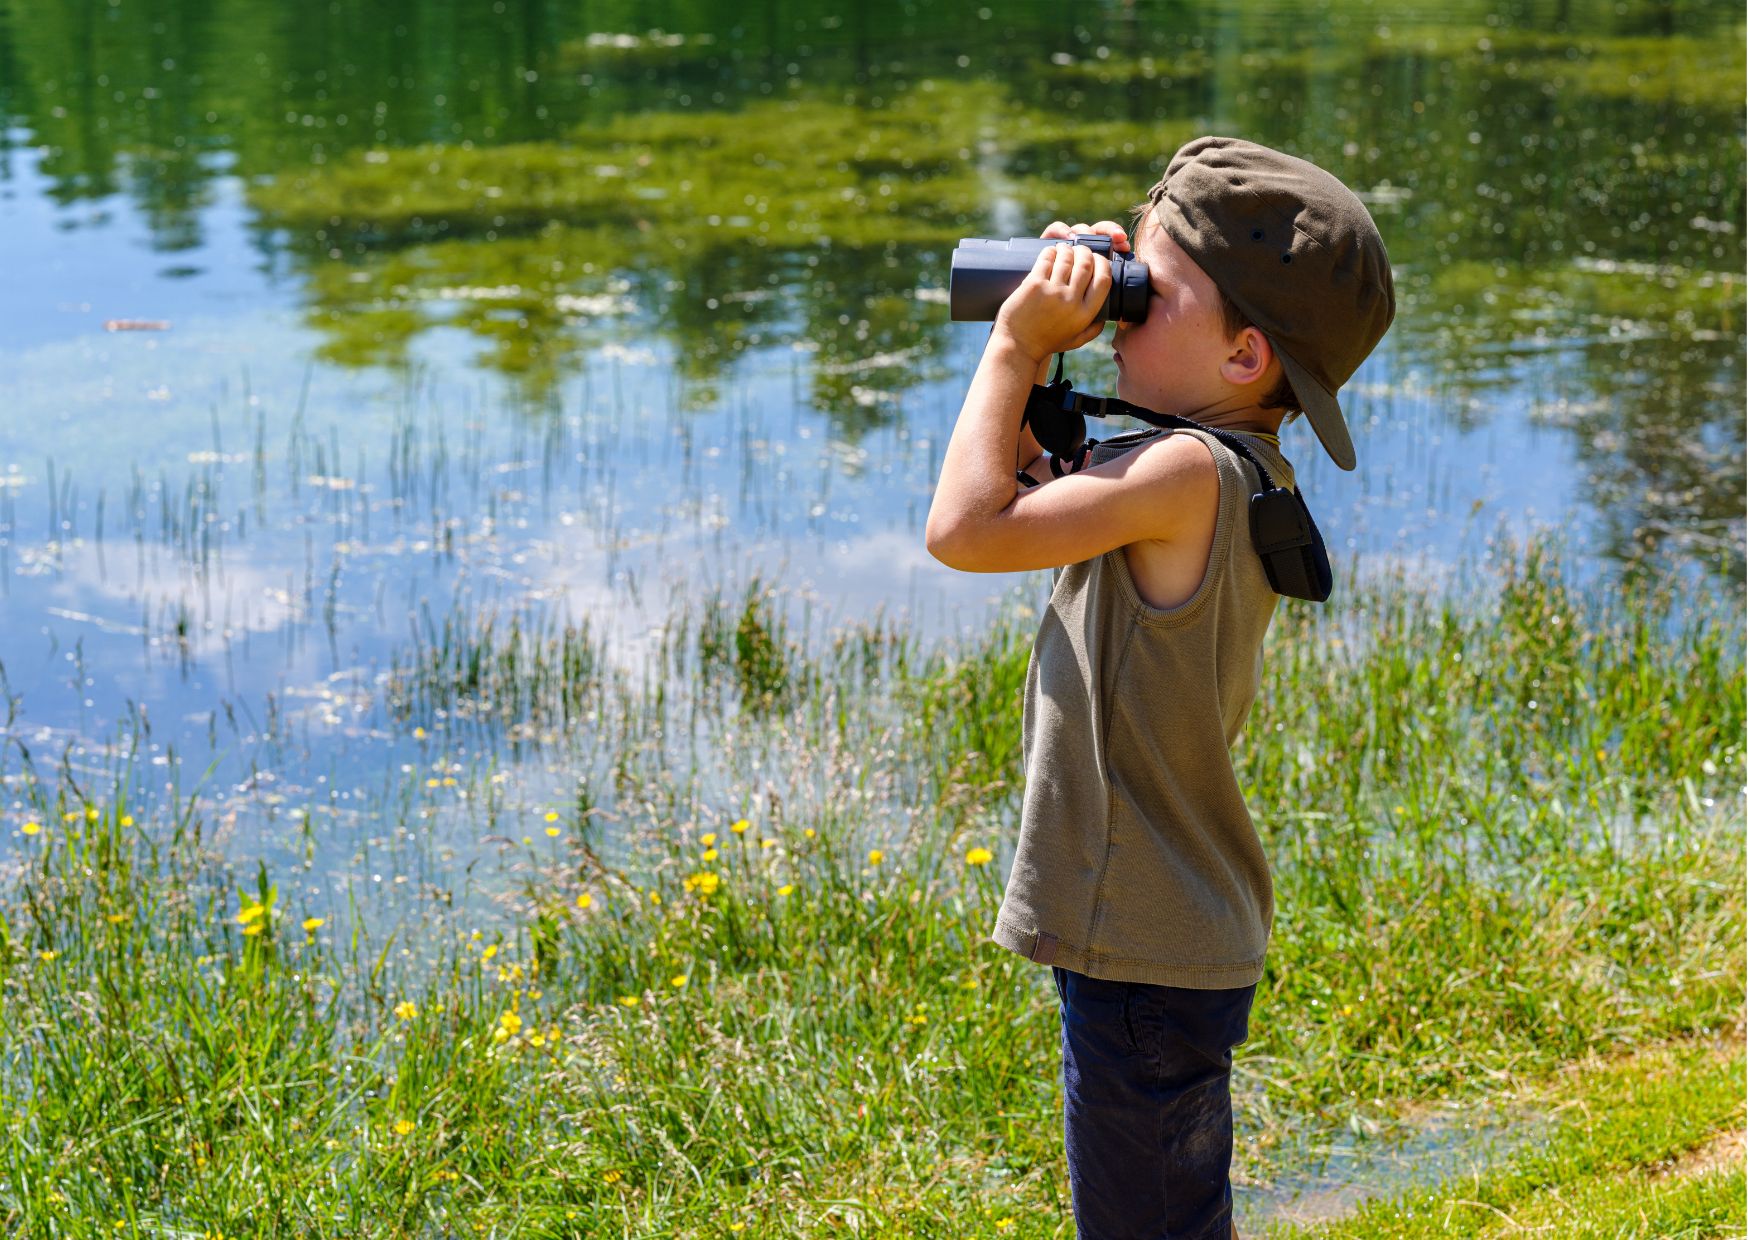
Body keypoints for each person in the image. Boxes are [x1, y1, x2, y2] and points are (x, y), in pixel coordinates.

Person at [924, 136, 1395, 1239]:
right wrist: (1048, 359)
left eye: (1147, 288)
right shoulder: (1218, 464)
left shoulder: (1181, 474)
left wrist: (1012, 342)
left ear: (1241, 356)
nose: (1121, 304)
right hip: (1166, 935)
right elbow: (1023, 494)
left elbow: (961, 528)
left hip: (1143, 944)